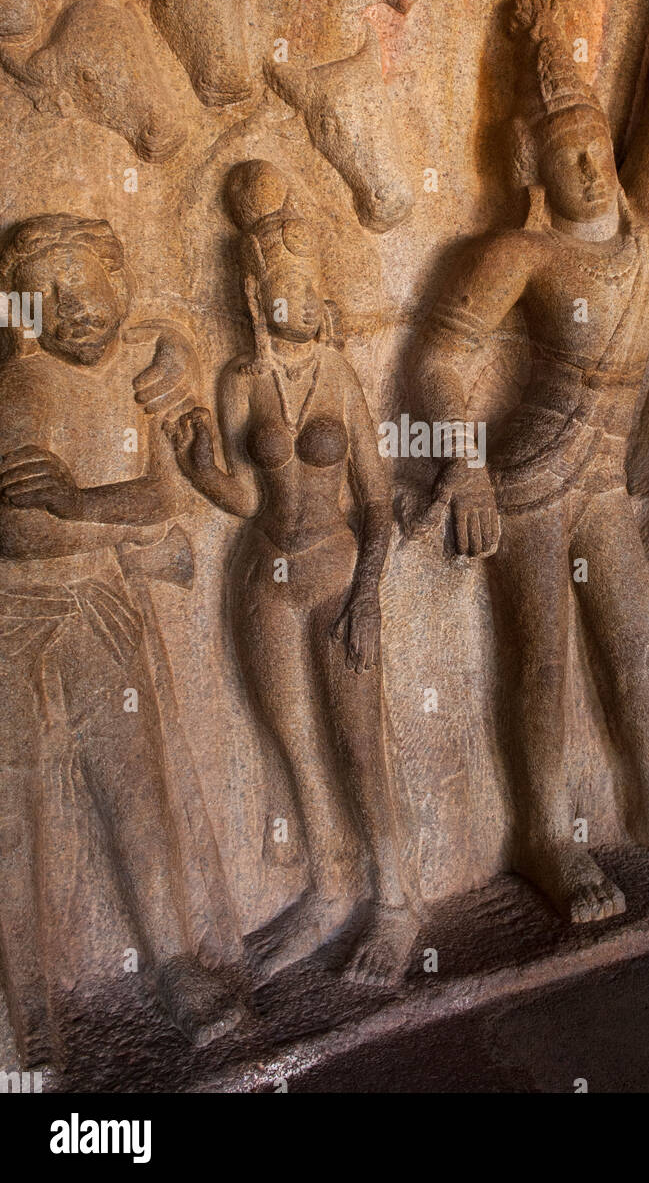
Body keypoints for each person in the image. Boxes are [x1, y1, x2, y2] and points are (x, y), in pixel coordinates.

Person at [411, 0, 649, 925]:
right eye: (568, 157)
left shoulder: (640, 232)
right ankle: (544, 832)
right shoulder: (520, 250)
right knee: (542, 658)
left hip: (600, 480)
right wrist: (464, 468)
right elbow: (439, 361)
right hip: (526, 479)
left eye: (596, 145)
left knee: (638, 641)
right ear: (531, 166)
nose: (593, 166)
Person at [169, 161, 419, 985]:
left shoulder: (340, 378)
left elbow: (377, 505)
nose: (300, 299)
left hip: (340, 572)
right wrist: (205, 467)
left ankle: (397, 900)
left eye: (309, 285)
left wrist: (370, 598)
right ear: (254, 298)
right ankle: (329, 884)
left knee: (357, 745)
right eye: (283, 287)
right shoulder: (241, 381)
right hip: (265, 579)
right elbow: (247, 495)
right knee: (295, 746)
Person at [0, 213, 241, 1059]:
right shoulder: (22, 390)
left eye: (86, 286)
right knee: (9, 807)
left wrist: (82, 506)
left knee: (133, 782)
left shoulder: (133, 382)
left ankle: (173, 959)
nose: (74, 309)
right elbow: (21, 532)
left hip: (98, 602)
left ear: (120, 283)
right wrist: (105, 521)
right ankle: (26, 1007)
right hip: (18, 612)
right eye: (51, 297)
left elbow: (157, 500)